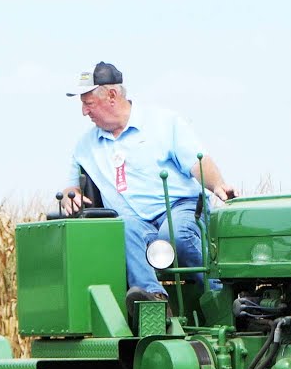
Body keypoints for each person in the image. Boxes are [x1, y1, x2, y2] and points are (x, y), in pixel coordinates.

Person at [61, 62, 235, 302]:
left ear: (112, 95)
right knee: (122, 229)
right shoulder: (85, 146)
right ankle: (154, 300)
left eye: (88, 103)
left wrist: (218, 185)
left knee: (175, 237)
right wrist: (72, 196)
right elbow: (71, 185)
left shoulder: (163, 122)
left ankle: (222, 294)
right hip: (134, 222)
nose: (84, 111)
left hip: (179, 207)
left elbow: (197, 161)